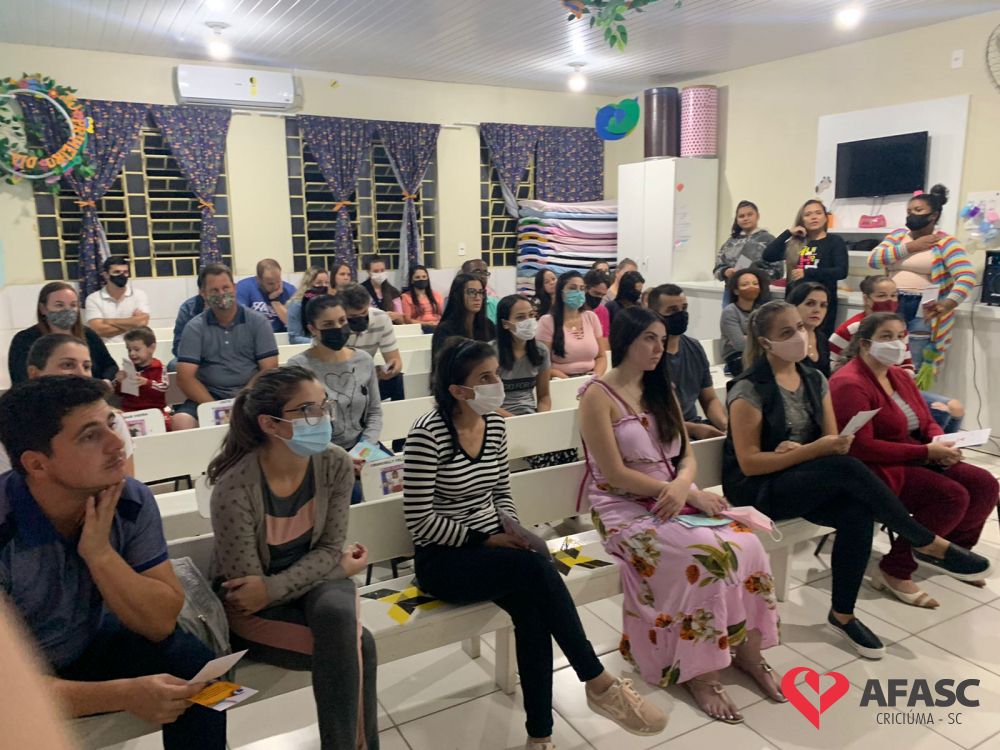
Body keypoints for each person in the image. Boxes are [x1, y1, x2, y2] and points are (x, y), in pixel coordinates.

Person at [403, 338, 667, 746]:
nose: (497, 384)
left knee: (532, 611)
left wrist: (513, 529)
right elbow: (420, 521)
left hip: (493, 549)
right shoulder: (428, 434)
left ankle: (539, 737)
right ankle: (597, 680)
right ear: (458, 390)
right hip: (444, 559)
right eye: (485, 378)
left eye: (496, 374)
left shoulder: (493, 425)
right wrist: (486, 539)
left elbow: (500, 492)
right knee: (533, 570)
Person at [723, 301, 990, 658]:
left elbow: (832, 442)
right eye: (787, 332)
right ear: (765, 342)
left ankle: (842, 614)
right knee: (846, 469)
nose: (799, 335)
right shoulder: (749, 389)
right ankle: (924, 540)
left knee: (857, 512)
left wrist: (813, 448)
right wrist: (809, 450)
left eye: (800, 327)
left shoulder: (813, 378)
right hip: (760, 488)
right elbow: (750, 464)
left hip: (803, 475)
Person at [580, 307, 783, 723]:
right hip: (624, 505)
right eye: (648, 339)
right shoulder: (597, 395)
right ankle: (700, 670)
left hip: (675, 494)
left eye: (661, 339)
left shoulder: (662, 388)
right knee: (706, 557)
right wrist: (674, 490)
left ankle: (747, 650)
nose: (659, 348)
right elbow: (614, 473)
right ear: (625, 341)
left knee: (748, 544)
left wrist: (685, 489)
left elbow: (686, 457)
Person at [0, 377, 227, 749]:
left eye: (111, 423)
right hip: (17, 673)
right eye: (90, 436)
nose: (117, 443)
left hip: (83, 643)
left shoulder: (129, 500)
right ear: (37, 464)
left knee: (198, 670)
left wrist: (100, 554)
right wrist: (122, 694)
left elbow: (160, 623)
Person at [206, 366, 376, 749]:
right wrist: (337, 568)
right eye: (308, 410)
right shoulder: (235, 488)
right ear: (271, 424)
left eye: (325, 406)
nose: (324, 418)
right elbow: (250, 595)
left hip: (302, 588)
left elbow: (329, 547)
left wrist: (283, 583)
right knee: (358, 645)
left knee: (338, 616)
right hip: (258, 613)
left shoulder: (334, 464)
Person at [830, 313, 998, 607]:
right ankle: (895, 569)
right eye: (886, 337)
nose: (896, 343)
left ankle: (954, 553)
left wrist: (940, 441)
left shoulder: (896, 375)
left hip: (914, 454)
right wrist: (926, 453)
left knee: (984, 484)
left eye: (900, 336)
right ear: (865, 344)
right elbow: (861, 447)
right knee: (951, 496)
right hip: (877, 467)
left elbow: (926, 419)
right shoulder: (850, 383)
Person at [867, 184, 975, 388]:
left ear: (934, 215)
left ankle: (909, 402)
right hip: (891, 303)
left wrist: (948, 304)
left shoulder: (945, 242)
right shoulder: (898, 237)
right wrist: (910, 247)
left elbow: (966, 276)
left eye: (918, 210)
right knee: (881, 357)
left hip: (923, 307)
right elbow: (873, 260)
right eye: (909, 211)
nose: (911, 215)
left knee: (913, 364)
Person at [829, 275, 965, 433]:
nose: (890, 301)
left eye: (894, 295)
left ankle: (944, 445)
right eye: (882, 296)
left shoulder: (900, 327)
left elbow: (907, 365)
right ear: (866, 299)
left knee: (955, 407)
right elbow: (832, 366)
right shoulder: (851, 328)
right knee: (939, 413)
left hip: (897, 387)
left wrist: (902, 386)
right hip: (865, 390)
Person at [289, 296, 384, 504]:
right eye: (328, 325)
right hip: (321, 453)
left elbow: (375, 412)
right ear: (313, 329)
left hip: (363, 447)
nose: (339, 329)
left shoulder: (364, 360)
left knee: (396, 482)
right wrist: (343, 458)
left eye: (342, 321)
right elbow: (303, 427)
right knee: (353, 493)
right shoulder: (298, 367)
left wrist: (365, 449)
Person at [0, 333, 137, 477]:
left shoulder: (113, 421)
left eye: (86, 366)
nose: (81, 374)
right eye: (68, 365)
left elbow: (126, 481)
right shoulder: (11, 429)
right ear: (34, 374)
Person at [174, 265, 279, 430]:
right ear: (203, 294)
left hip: (251, 394)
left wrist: (242, 401)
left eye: (226, 288)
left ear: (234, 288)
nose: (221, 294)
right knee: (181, 420)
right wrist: (216, 410)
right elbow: (184, 377)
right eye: (214, 290)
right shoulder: (194, 328)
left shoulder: (258, 322)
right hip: (208, 395)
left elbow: (269, 368)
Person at [647, 284, 727, 440]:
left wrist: (724, 424)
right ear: (654, 314)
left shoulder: (694, 347)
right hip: (660, 434)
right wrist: (693, 429)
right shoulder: (648, 355)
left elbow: (709, 399)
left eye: (684, 308)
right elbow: (648, 417)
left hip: (694, 427)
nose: (681, 314)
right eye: (672, 310)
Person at [762, 199, 847, 337]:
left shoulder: (835, 241)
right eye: (808, 214)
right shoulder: (796, 242)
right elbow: (768, 255)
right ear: (802, 220)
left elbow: (841, 271)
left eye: (818, 213)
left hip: (821, 305)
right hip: (795, 303)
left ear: (825, 217)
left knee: (818, 341)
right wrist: (788, 233)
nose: (813, 217)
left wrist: (807, 273)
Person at [8, 282, 118, 384]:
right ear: (43, 308)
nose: (67, 310)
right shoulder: (24, 339)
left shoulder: (88, 335)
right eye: (59, 305)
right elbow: (20, 379)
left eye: (73, 305)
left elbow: (110, 366)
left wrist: (105, 381)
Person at [340, 283, 406, 404]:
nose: (360, 318)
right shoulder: (335, 323)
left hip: (367, 376)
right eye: (353, 316)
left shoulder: (381, 318)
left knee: (397, 379)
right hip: (340, 378)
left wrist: (391, 370)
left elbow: (395, 360)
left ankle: (397, 411)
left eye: (364, 313)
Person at [536, 271, 607, 379]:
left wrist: (596, 375)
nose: (578, 292)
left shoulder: (591, 317)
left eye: (582, 289)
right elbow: (543, 364)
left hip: (591, 378)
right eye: (573, 288)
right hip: (561, 380)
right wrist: (568, 381)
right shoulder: (547, 321)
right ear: (561, 292)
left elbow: (601, 357)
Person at [713, 201, 781, 305]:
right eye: (741, 216)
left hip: (759, 294)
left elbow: (778, 271)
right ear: (737, 219)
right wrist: (725, 272)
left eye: (750, 214)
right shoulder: (730, 242)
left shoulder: (768, 240)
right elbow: (717, 269)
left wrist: (753, 275)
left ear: (757, 216)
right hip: (731, 294)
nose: (746, 218)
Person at [494, 295, 551, 418]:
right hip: (500, 417)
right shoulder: (490, 354)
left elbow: (544, 396)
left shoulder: (541, 351)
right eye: (520, 317)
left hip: (530, 415)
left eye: (531, 315)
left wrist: (542, 417)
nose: (528, 321)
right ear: (505, 323)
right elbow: (487, 403)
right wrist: (517, 421)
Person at [431, 273, 496, 366]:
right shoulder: (445, 330)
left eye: (481, 292)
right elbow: (442, 366)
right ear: (458, 295)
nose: (477, 297)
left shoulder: (488, 325)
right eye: (471, 292)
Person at [84, 257, 151, 343]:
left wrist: (110, 321)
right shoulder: (93, 299)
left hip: (134, 348)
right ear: (106, 275)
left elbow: (142, 323)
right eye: (116, 272)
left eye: (125, 272)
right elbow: (98, 330)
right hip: (106, 348)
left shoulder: (139, 295)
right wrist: (132, 322)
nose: (122, 275)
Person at [719, 268, 769, 376]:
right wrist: (758, 338)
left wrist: (747, 337)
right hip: (736, 357)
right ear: (736, 291)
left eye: (755, 284)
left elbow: (770, 338)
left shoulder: (761, 310)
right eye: (745, 284)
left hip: (758, 354)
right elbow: (739, 345)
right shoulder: (730, 311)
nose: (751, 287)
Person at [115, 326, 169, 418]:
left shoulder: (160, 367)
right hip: (130, 411)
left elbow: (164, 387)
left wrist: (147, 383)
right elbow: (120, 394)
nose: (132, 353)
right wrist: (119, 382)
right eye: (129, 350)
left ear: (151, 348)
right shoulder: (128, 368)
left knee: (167, 423)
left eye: (136, 349)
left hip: (154, 411)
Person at [235, 259, 297, 334]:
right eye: (270, 283)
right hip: (255, 334)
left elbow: (294, 324)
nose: (276, 286)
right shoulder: (243, 288)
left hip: (281, 335)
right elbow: (239, 319)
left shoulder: (289, 290)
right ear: (259, 279)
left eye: (278, 281)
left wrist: (275, 301)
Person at [786, 282, 831, 377]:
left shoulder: (822, 338)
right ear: (793, 306)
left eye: (823, 305)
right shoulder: (785, 338)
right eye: (810, 303)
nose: (817, 310)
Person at [287, 267, 331, 344]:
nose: (324, 286)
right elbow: (294, 338)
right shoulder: (296, 305)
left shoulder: (329, 303)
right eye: (319, 283)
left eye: (326, 283)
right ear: (308, 284)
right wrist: (318, 343)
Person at [399, 264, 444, 332]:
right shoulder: (406, 297)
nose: (421, 279)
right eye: (417, 277)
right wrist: (426, 324)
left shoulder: (437, 295)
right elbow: (407, 320)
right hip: (419, 328)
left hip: (438, 326)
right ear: (412, 280)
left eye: (424, 277)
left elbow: (443, 315)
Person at [361, 255, 403, 324]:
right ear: (369, 272)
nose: (380, 274)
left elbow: (401, 320)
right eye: (376, 271)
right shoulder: (361, 290)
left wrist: (396, 316)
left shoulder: (393, 292)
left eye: (382, 270)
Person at [460, 258, 500, 324]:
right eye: (477, 272)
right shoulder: (455, 301)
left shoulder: (495, 303)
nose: (482, 276)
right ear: (464, 275)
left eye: (485, 273)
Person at [584, 269, 612, 338]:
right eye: (596, 293)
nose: (599, 298)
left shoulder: (603, 311)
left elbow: (604, 337)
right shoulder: (573, 310)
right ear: (585, 288)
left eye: (603, 295)